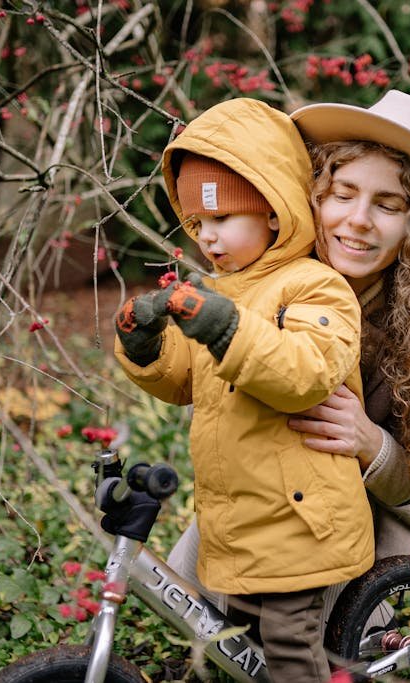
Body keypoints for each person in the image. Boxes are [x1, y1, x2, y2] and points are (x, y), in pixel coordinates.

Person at [167, 88, 410, 627]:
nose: (358, 220)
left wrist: (369, 442)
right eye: (342, 194)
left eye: (388, 205)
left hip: (345, 539)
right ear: (309, 197)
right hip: (257, 512)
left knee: (302, 640)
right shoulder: (267, 284)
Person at [113, 97, 375, 682]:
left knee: (287, 642)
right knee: (239, 636)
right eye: (197, 225)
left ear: (275, 213)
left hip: (299, 522)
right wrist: (144, 344)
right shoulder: (220, 290)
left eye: (222, 220)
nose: (207, 239)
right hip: (241, 515)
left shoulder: (316, 287)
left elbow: (303, 372)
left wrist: (223, 326)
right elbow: (182, 377)